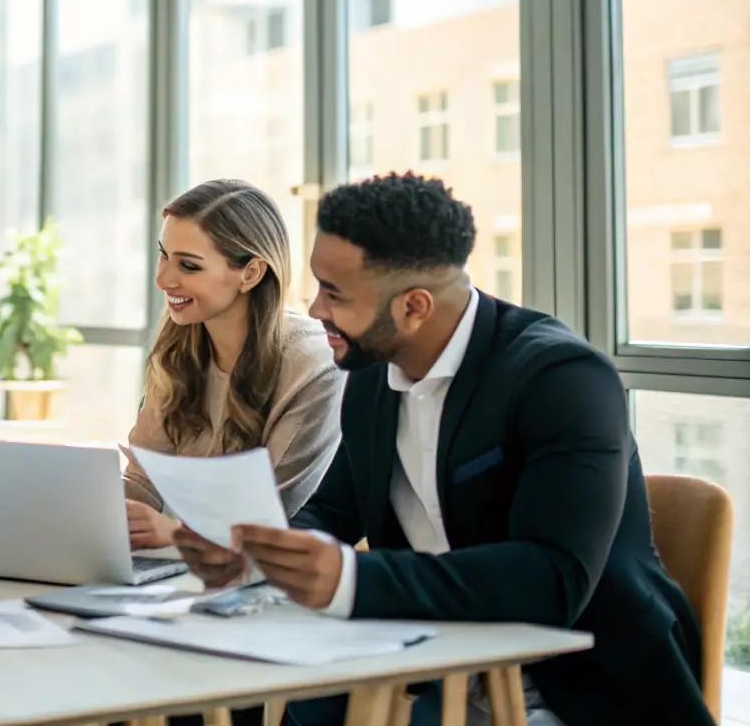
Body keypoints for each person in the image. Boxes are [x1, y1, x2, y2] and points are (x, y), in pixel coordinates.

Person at [175, 173, 712, 726]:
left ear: (414, 307)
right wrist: (255, 554)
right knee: (199, 702)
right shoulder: (370, 375)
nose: (315, 311)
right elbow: (334, 510)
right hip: (430, 670)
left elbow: (552, 577)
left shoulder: (562, 378)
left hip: (580, 689)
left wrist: (350, 579)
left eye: (334, 294)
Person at [123, 179, 343, 551]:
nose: (163, 280)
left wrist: (175, 535)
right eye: (164, 255)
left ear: (251, 273)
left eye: (189, 266)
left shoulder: (311, 365)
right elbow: (143, 484)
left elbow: (274, 519)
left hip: (269, 581)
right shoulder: (178, 346)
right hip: (181, 570)